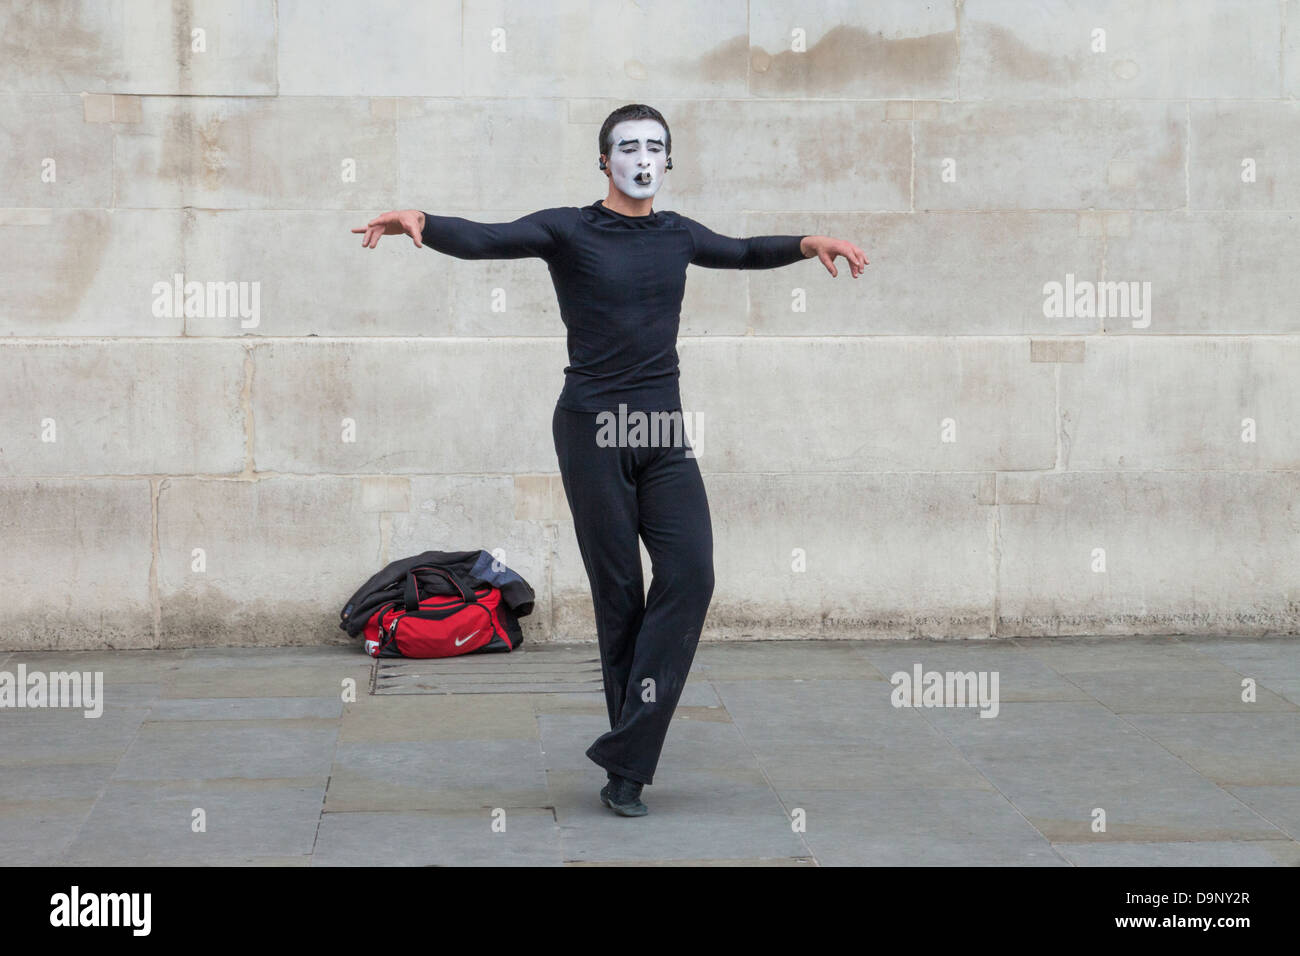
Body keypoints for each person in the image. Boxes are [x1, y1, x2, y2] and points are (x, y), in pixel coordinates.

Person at [353, 104, 868, 817]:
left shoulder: (678, 234)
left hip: (661, 430)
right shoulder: (571, 229)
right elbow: (492, 238)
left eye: (655, 146)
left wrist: (809, 242)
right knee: (619, 591)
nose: (642, 157)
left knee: (691, 573)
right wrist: (426, 223)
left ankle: (627, 748)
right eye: (628, 146)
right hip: (591, 428)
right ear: (604, 161)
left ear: (668, 160)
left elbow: (744, 251)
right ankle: (628, 772)